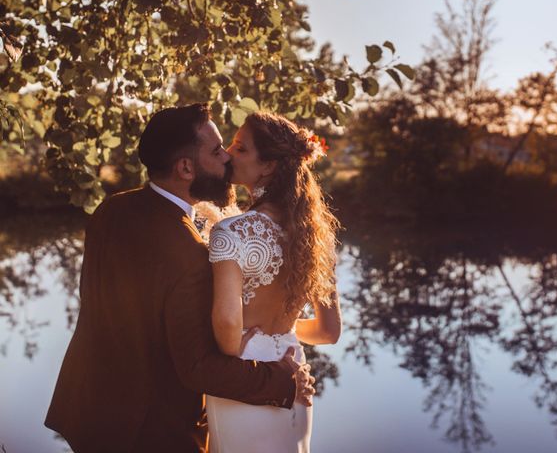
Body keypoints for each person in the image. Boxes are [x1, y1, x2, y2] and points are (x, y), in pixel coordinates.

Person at [45, 104, 314, 453]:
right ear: (186, 167)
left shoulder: (111, 209)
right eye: (217, 151)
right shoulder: (191, 255)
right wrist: (283, 380)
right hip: (150, 431)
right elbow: (198, 369)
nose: (227, 159)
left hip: (88, 411)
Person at [204, 112, 342, 453]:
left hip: (248, 376)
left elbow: (226, 334)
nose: (228, 154)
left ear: (267, 166)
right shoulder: (315, 236)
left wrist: (246, 340)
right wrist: (282, 335)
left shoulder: (231, 232)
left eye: (240, 148)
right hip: (294, 371)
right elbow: (328, 332)